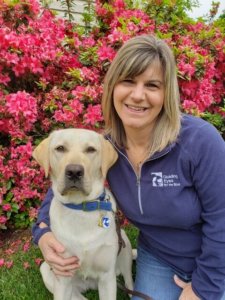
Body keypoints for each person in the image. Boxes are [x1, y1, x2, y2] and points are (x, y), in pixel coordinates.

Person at [32, 34, 225, 300]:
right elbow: (65, 184)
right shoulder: (105, 148)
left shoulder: (200, 141)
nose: (137, 95)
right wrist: (41, 233)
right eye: (128, 81)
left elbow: (222, 219)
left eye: (152, 85)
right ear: (113, 87)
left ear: (166, 93)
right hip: (160, 258)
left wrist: (203, 288)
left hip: (215, 260)